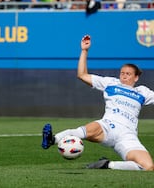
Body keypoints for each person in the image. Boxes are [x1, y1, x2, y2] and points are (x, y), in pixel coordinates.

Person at [42, 35, 154, 171]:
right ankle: (52, 140)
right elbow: (82, 75)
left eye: (128, 74)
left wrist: (109, 165)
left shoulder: (142, 92)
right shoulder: (111, 83)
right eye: (122, 73)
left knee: (148, 166)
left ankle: (107, 164)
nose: (124, 76)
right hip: (108, 126)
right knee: (88, 129)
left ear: (136, 77)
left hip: (128, 135)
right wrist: (84, 51)